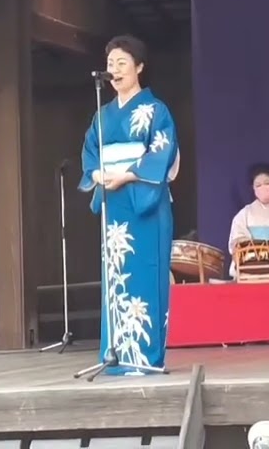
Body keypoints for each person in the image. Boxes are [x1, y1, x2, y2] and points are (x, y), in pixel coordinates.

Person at [78, 35, 180, 374]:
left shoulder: (156, 110)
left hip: (144, 201)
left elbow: (161, 152)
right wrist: (95, 175)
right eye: (110, 65)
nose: (115, 70)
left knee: (147, 275)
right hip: (114, 203)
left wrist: (127, 175)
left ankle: (147, 357)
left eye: (122, 63)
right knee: (116, 275)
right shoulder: (102, 115)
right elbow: (90, 152)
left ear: (139, 67)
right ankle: (116, 355)